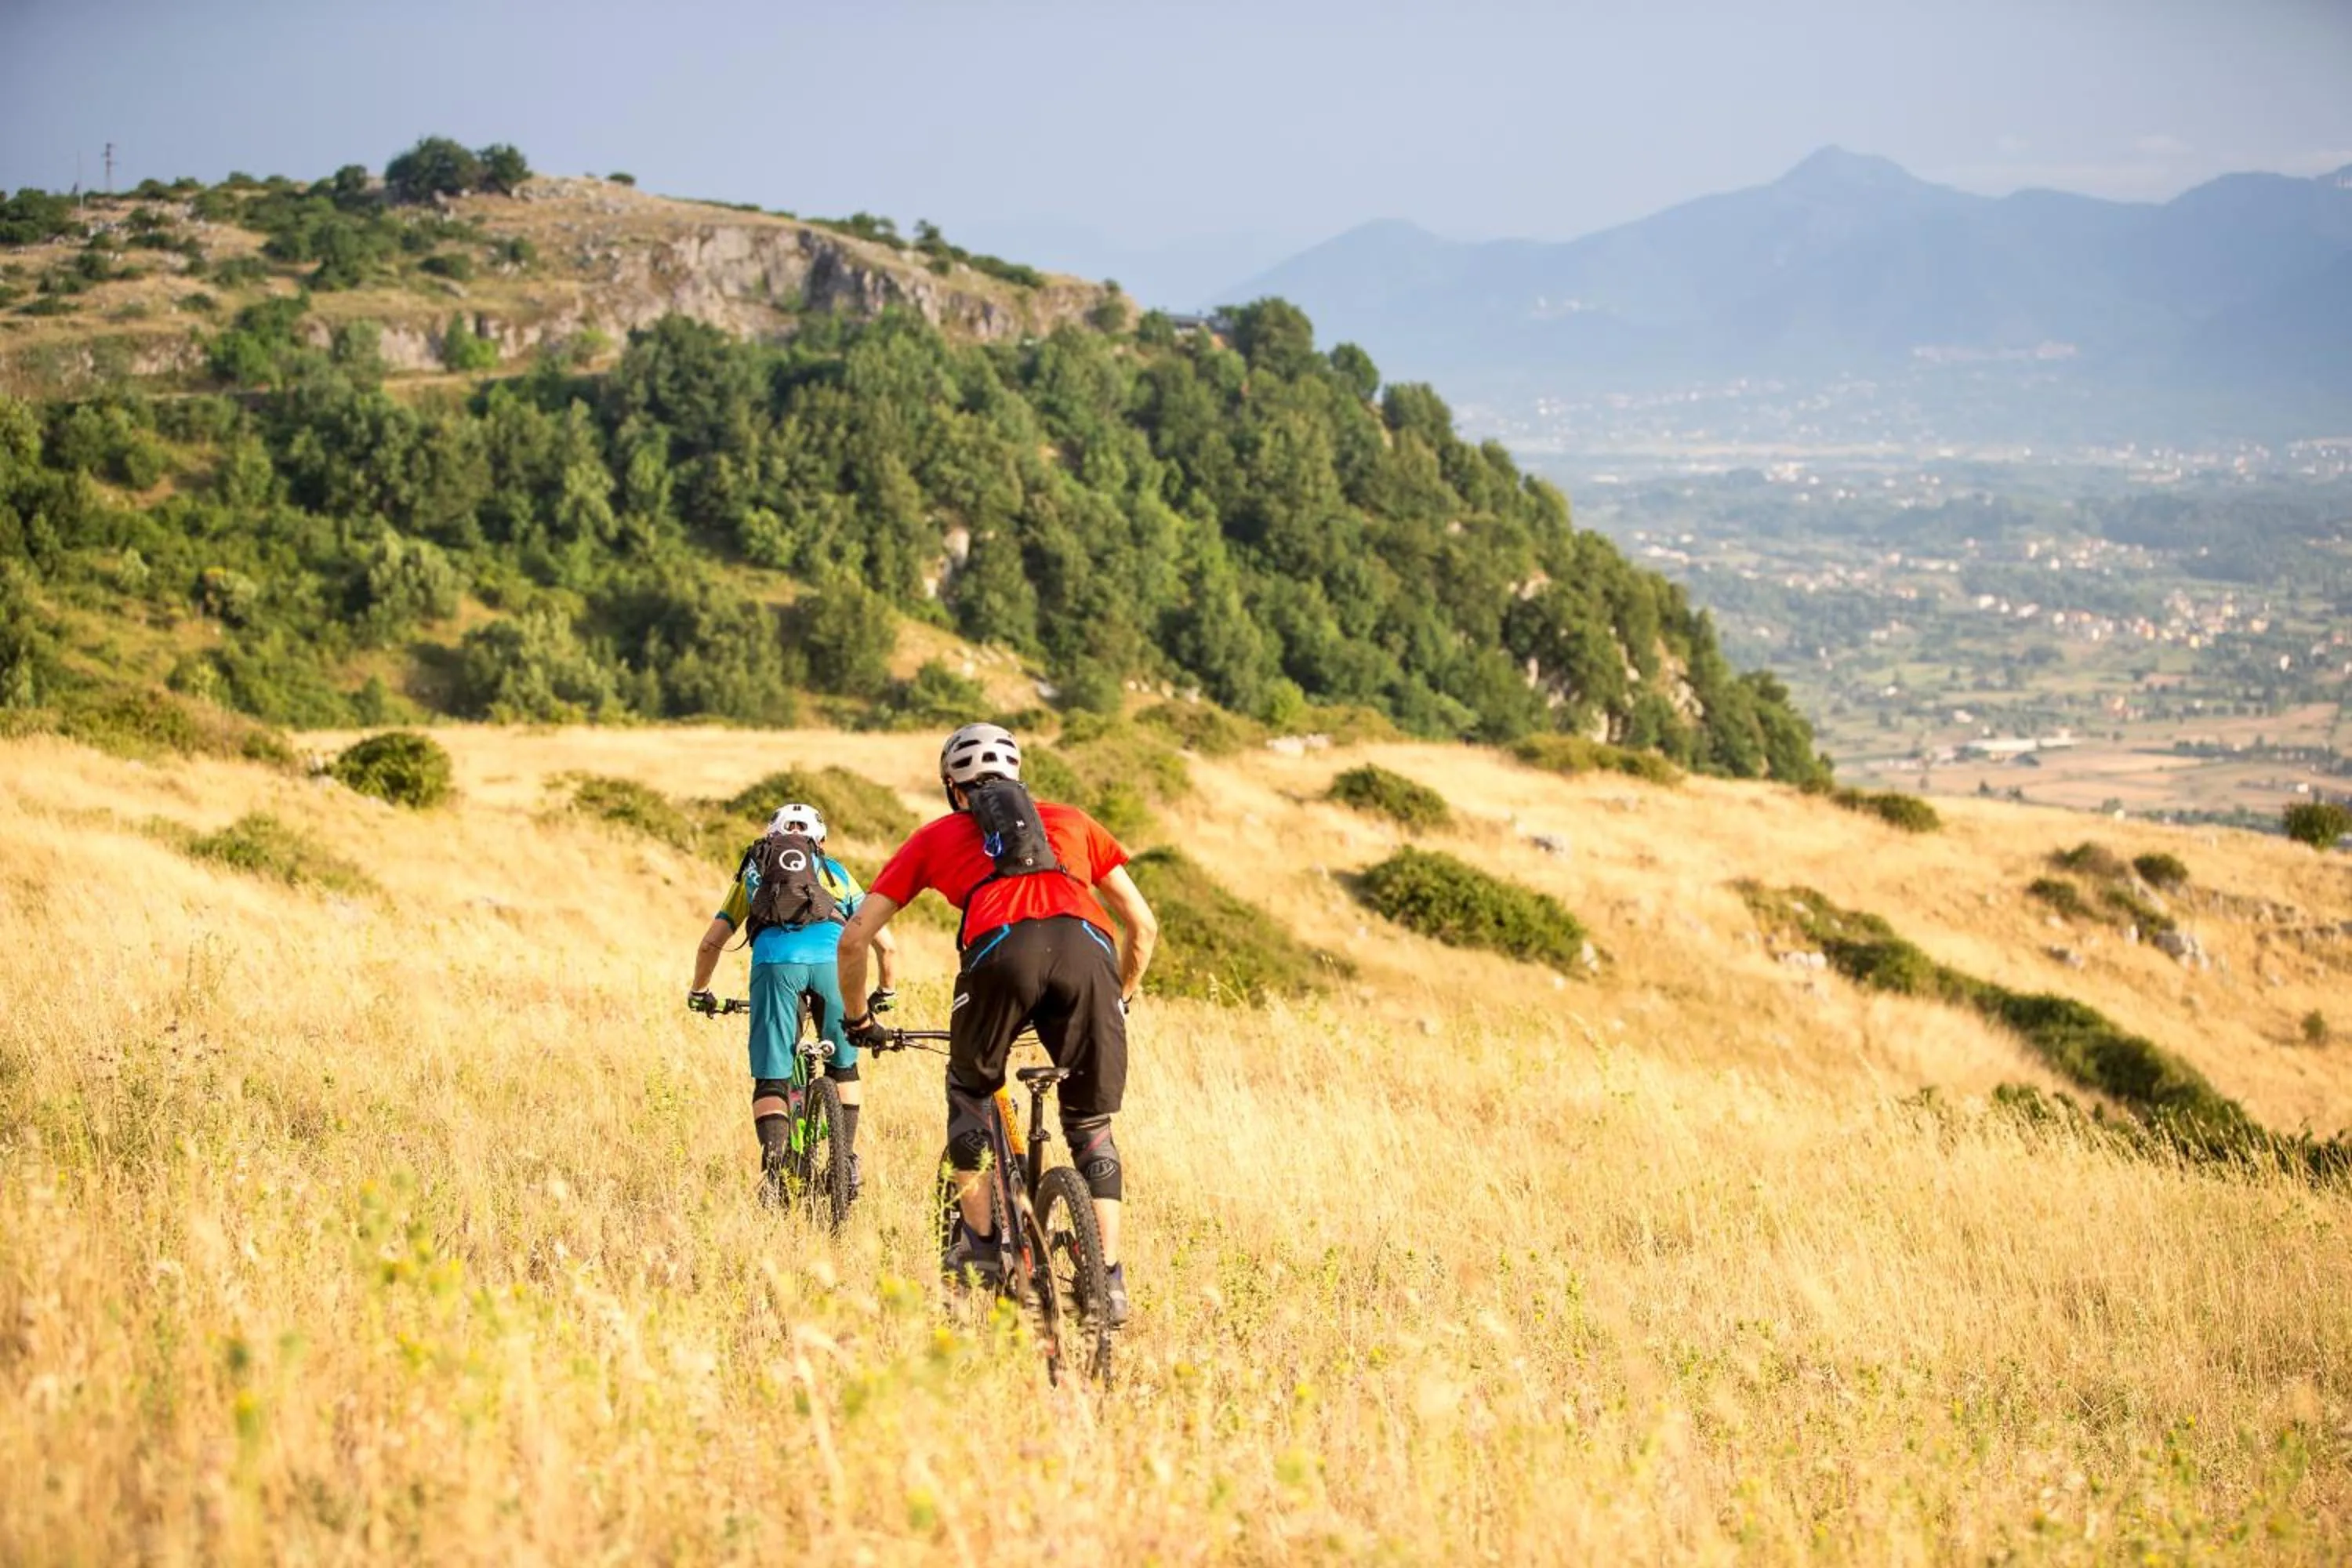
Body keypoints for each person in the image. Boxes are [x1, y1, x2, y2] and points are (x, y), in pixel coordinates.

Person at [837, 722, 1157, 1326]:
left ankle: (982, 1245)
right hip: (1089, 952)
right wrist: (1120, 999)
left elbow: (855, 940)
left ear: (954, 791)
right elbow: (1142, 928)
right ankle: (1108, 1279)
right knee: (1090, 1124)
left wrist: (858, 1021)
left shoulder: (935, 837)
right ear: (1019, 777)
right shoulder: (1074, 821)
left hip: (1000, 952)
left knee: (971, 1087)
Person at [689, 802, 898, 1204]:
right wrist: (885, 992)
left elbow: (710, 943)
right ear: (819, 841)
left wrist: (700, 992)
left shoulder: (754, 872)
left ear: (771, 837)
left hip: (775, 964)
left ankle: (775, 1175)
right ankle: (848, 1162)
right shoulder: (834, 872)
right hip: (832, 964)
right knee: (844, 1065)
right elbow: (886, 946)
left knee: (772, 1078)